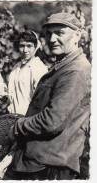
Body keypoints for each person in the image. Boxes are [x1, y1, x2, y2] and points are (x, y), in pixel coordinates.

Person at [6, 12, 91, 180]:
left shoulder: (75, 71)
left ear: (77, 35)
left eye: (59, 33)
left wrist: (18, 127)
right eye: (49, 34)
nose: (52, 39)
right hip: (39, 161)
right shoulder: (62, 66)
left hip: (50, 166)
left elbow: (51, 121)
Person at [7, 30, 48, 115]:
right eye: (22, 46)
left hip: (28, 120)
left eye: (29, 46)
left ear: (35, 47)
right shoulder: (16, 67)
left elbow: (41, 101)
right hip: (12, 118)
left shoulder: (39, 68)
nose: (25, 50)